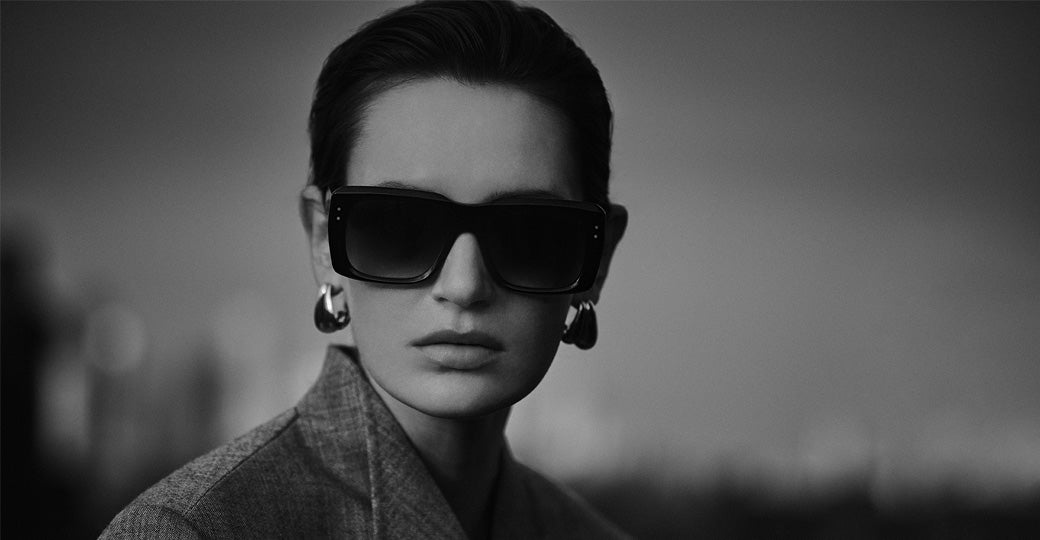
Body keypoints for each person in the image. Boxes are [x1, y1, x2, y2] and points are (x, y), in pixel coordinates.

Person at [101, 1, 628, 538]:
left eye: (528, 233)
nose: (465, 286)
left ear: (599, 256)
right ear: (322, 240)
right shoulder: (189, 530)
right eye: (399, 227)